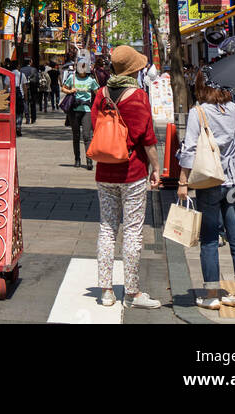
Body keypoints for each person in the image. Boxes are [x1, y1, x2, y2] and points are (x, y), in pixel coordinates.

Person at [91, 44, 162, 310]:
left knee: (107, 228)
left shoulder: (101, 94)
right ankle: (131, 292)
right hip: (132, 172)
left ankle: (106, 290)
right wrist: (156, 168)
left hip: (105, 170)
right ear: (134, 68)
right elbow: (148, 139)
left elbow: (96, 126)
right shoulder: (139, 96)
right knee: (132, 231)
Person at [177, 72, 235, 309]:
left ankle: (211, 294)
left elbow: (190, 148)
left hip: (209, 181)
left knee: (209, 238)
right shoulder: (231, 109)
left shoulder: (198, 112)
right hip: (233, 180)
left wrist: (182, 181)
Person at [63, 59, 97, 168]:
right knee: (76, 135)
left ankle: (89, 160)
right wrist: (70, 91)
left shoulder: (91, 80)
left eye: (84, 66)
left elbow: (98, 93)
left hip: (87, 110)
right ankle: (77, 159)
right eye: (80, 66)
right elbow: (63, 88)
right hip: (74, 110)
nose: (82, 69)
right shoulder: (72, 78)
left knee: (87, 136)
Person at [6, 58, 24, 137]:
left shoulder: (8, 75)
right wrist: (26, 97)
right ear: (18, 66)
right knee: (20, 112)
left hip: (11, 95)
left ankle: (12, 128)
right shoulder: (21, 75)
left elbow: (6, 87)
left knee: (12, 112)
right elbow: (25, 86)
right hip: (20, 95)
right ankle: (19, 126)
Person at [20, 58, 38, 125]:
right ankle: (33, 118)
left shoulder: (21, 69)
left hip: (24, 87)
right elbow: (36, 80)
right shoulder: (34, 69)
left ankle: (27, 117)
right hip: (32, 88)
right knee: (33, 104)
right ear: (30, 62)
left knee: (25, 102)